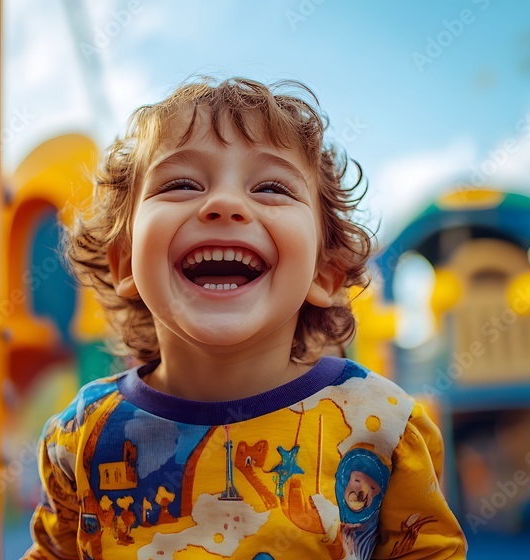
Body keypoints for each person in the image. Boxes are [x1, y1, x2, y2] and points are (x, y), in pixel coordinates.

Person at [23, 76, 467, 559]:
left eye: (272, 188)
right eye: (182, 184)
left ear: (326, 271)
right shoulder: (84, 435)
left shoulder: (380, 426)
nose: (224, 204)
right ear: (124, 262)